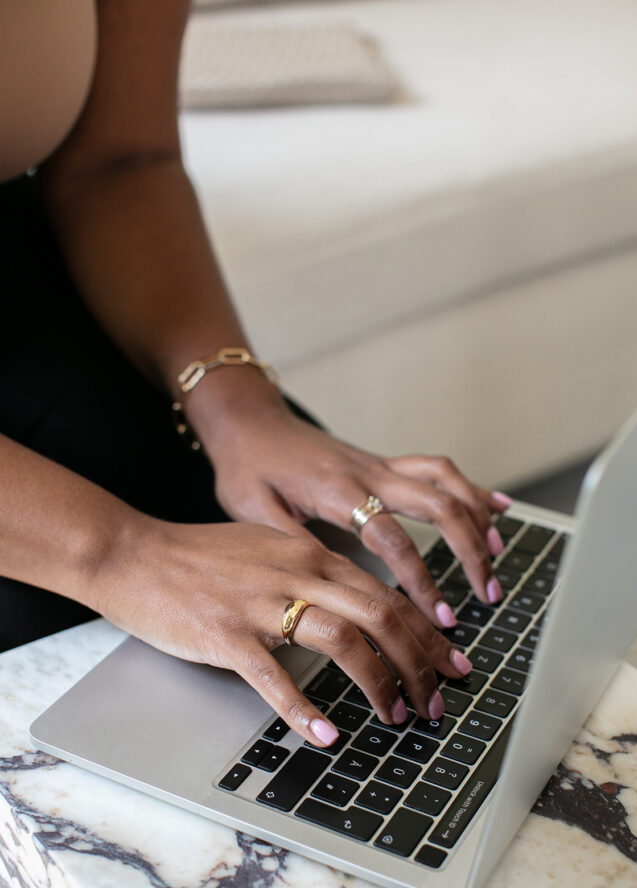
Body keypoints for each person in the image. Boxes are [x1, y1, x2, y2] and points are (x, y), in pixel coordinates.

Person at [0, 0, 510, 749]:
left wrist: (240, 410)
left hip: (33, 288)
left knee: (346, 594)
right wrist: (119, 552)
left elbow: (122, 160)